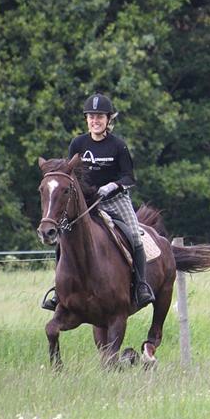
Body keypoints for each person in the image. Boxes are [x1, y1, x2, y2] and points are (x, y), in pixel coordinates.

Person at [40, 92, 156, 310]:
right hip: (84, 202)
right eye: (91, 117)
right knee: (63, 238)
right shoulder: (78, 143)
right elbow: (69, 173)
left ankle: (140, 286)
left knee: (134, 237)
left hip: (114, 200)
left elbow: (129, 177)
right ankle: (58, 291)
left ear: (108, 119)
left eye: (100, 117)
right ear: (86, 119)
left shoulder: (118, 145)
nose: (95, 121)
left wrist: (111, 186)